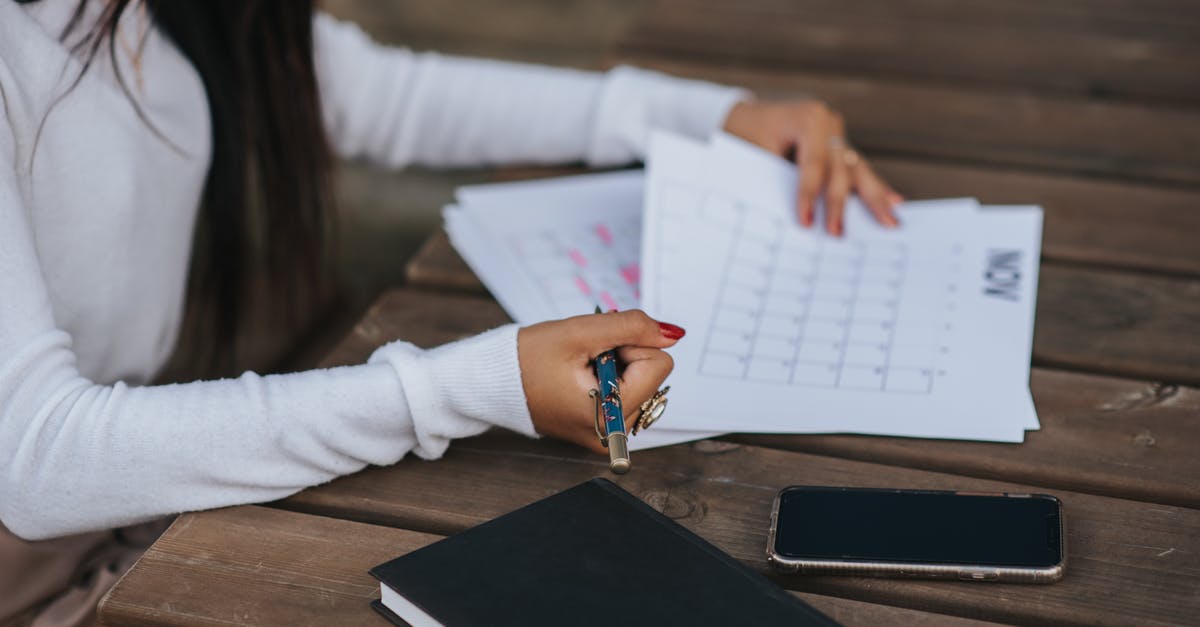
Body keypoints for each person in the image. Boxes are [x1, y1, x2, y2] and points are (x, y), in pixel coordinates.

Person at [0, 0, 903, 623]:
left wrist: (712, 117)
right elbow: (38, 457)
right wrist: (465, 388)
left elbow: (377, 95)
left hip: (143, 517)